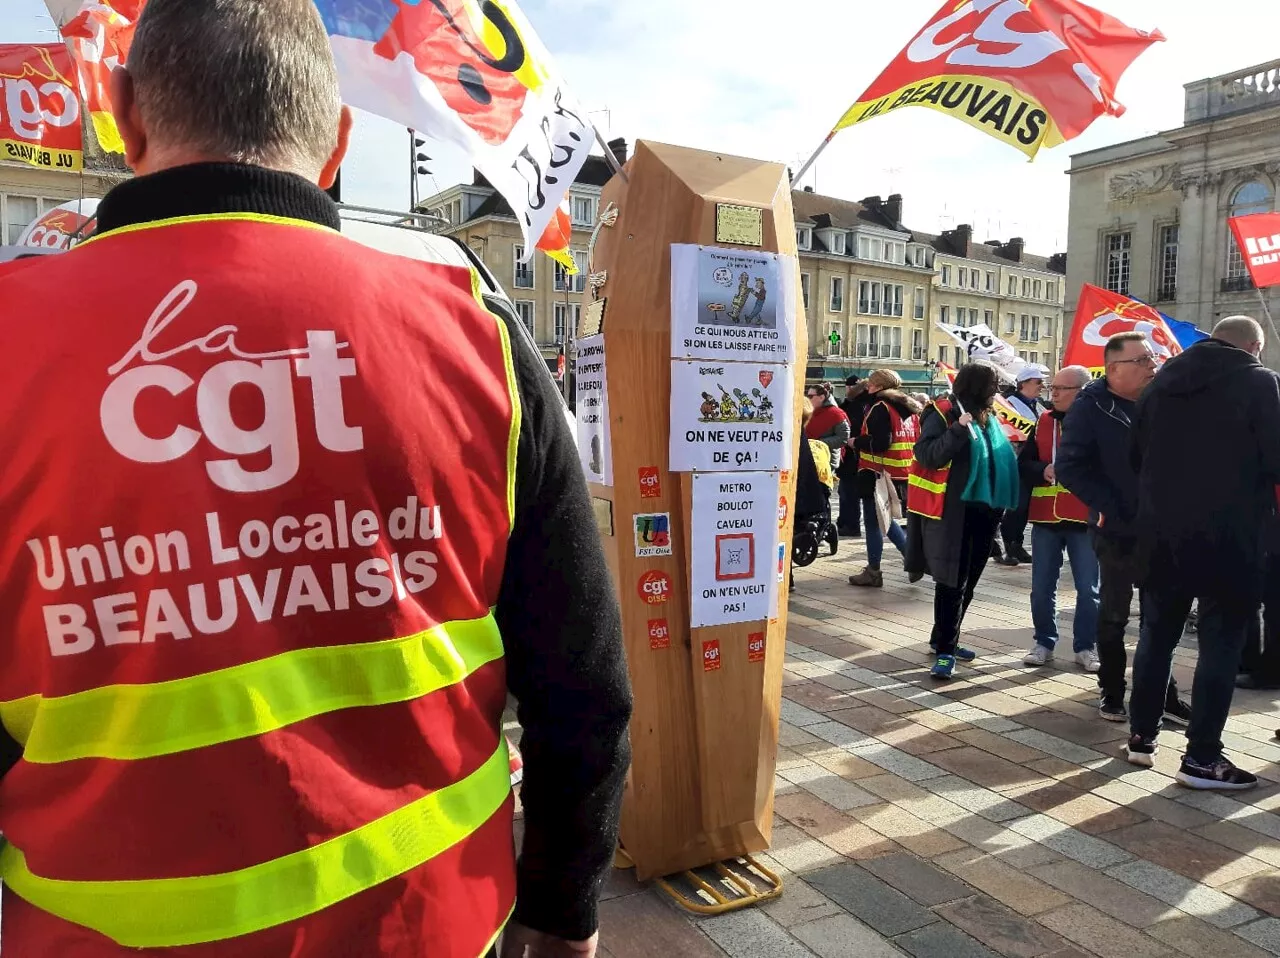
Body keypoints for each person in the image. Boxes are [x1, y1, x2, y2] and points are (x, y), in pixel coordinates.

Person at [0, 2, 633, 955]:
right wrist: (563, 912)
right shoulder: (477, 339)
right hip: (429, 926)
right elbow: (581, 683)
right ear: (337, 142)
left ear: (123, 114)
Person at [1125, 317, 1280, 789]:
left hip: (1161, 534)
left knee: (1157, 637)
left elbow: (1136, 457)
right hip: (1229, 537)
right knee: (1220, 647)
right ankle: (1201, 758)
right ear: (1255, 346)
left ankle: (1141, 737)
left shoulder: (1159, 384)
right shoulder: (1260, 382)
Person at [1056, 332, 1187, 726]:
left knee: (1159, 615)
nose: (1152, 365)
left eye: (1151, 359)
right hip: (1115, 529)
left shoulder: (1163, 399)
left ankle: (1163, 695)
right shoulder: (1091, 406)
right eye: (1142, 360)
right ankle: (1112, 689)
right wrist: (1115, 509)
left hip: (1164, 527)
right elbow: (1070, 467)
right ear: (1113, 369)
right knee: (1115, 613)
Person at [906, 362, 1019, 680]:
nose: (997, 391)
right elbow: (927, 454)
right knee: (951, 583)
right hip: (954, 513)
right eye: (992, 385)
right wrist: (958, 429)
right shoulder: (942, 410)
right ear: (978, 386)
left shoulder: (989, 417)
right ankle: (944, 651)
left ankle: (944, 639)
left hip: (985, 512)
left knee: (967, 583)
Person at [1019, 366, 1100, 672]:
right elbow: (1024, 463)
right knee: (1041, 587)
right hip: (1046, 518)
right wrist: (1042, 469)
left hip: (1084, 517)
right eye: (1052, 388)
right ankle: (1043, 642)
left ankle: (1085, 647)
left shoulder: (1098, 424)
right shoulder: (1042, 421)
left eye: (1061, 389)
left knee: (1089, 590)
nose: (1054, 394)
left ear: (1082, 392)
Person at [849, 370, 920, 588]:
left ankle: (877, 570)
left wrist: (856, 442)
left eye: (871, 383)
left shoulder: (881, 408)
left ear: (879, 386)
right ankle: (909, 559)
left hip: (876, 472)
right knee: (884, 519)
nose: (868, 386)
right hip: (900, 472)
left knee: (875, 521)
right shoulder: (910, 409)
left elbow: (880, 442)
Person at [997, 363, 1048, 566]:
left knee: (1025, 507)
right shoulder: (1008, 404)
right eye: (1038, 382)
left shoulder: (1038, 404)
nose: (1041, 386)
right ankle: (1009, 545)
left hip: (1030, 461)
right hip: (1013, 461)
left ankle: (1016, 545)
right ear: (1024, 383)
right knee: (1016, 507)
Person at [837, 376, 871, 537]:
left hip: (853, 455)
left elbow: (853, 426)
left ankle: (850, 524)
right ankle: (847, 522)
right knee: (847, 491)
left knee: (848, 492)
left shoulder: (858, 405)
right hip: (857, 455)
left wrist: (854, 441)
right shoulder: (864, 403)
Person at [806, 382, 851, 464]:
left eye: (810, 396)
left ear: (821, 397)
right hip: (808, 458)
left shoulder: (836, 413)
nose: (808, 399)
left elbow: (843, 438)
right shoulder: (808, 412)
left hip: (826, 461)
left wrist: (818, 443)